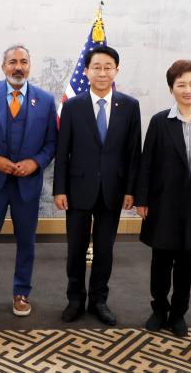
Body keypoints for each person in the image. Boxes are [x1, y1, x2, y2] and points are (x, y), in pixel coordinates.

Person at [135, 60, 191, 337]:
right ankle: (159, 309)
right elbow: (146, 163)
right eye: (181, 85)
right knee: (161, 261)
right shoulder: (160, 121)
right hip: (164, 204)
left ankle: (178, 314)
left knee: (187, 263)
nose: (188, 90)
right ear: (171, 89)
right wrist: (142, 199)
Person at [53, 45, 141, 326]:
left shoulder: (130, 106)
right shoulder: (72, 106)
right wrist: (59, 189)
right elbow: (63, 151)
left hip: (113, 191)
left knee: (104, 250)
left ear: (116, 70)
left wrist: (131, 190)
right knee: (76, 249)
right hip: (77, 190)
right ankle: (75, 299)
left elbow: (133, 153)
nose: (102, 73)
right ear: (86, 71)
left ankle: (99, 300)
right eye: (97, 67)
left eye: (108, 67)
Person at [0, 45, 57, 318]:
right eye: (12, 62)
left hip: (27, 184)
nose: (18, 67)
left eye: (23, 62)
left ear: (29, 66)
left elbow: (51, 143)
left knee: (26, 242)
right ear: (3, 66)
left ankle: (21, 292)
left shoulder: (45, 100)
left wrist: (35, 163)